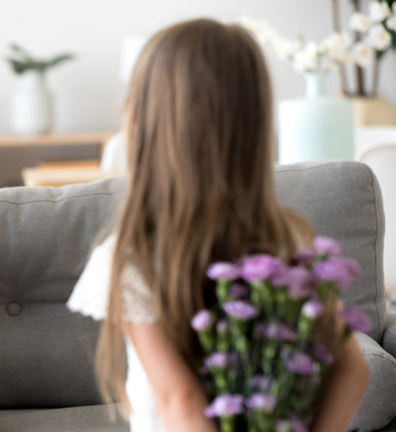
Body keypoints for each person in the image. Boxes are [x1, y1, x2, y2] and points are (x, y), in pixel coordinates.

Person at [67, 18, 369, 432]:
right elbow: (352, 368)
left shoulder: (131, 257)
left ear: (146, 126)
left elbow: (180, 399)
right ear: (255, 129)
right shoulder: (289, 240)